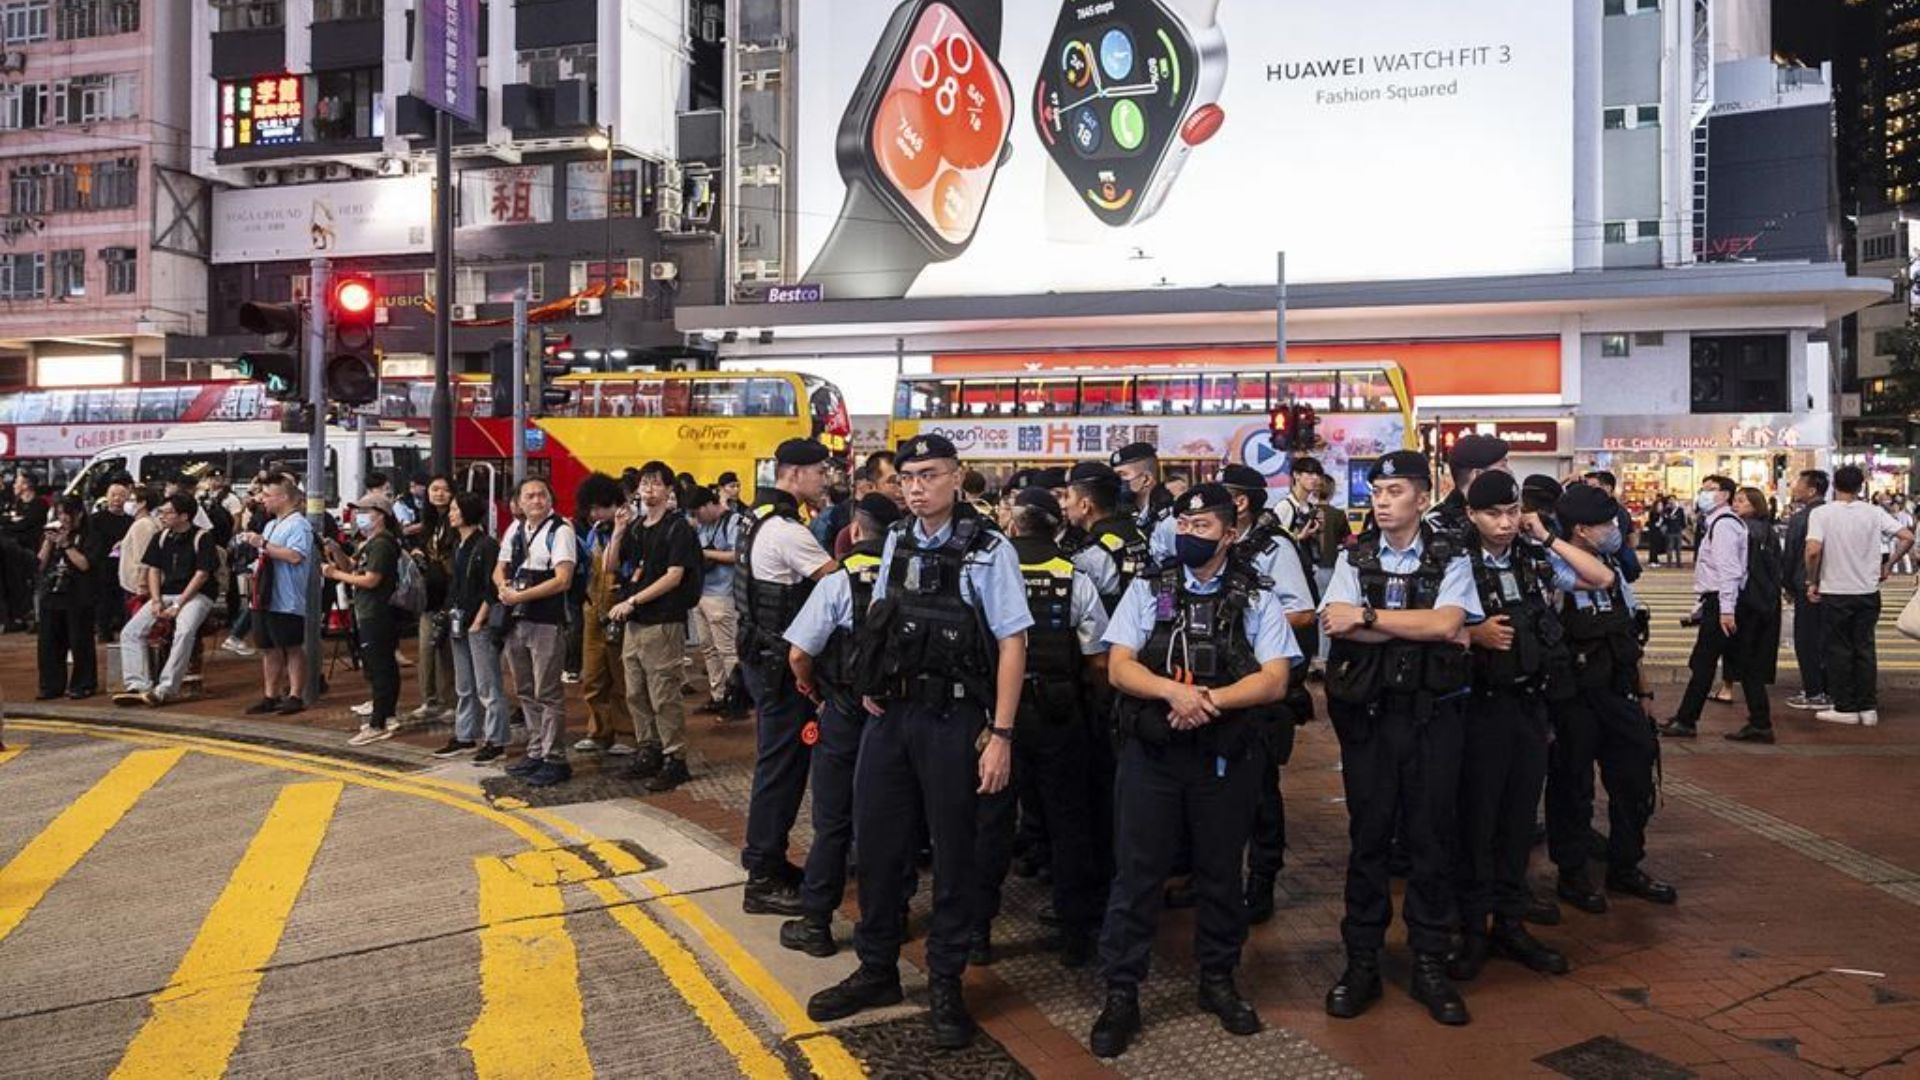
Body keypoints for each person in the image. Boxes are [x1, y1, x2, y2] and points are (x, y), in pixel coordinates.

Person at [805, 434, 1030, 1052]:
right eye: (907, 476)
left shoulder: (990, 550)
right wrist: (871, 681)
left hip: (956, 724)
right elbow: (878, 615)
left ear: (958, 478)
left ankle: (946, 984)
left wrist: (1002, 734)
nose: (915, 486)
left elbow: (1013, 643)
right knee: (877, 846)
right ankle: (877, 969)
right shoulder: (897, 539)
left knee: (955, 855)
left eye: (929, 474)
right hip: (892, 718)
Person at [1087, 484, 1297, 1058]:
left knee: (1220, 874)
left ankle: (1218, 980)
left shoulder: (1256, 595)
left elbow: (1275, 678)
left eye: (1203, 525)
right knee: (1136, 875)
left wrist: (1211, 701)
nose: (1189, 533)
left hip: (1223, 759)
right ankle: (1122, 993)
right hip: (1152, 755)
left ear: (1231, 533)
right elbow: (1119, 666)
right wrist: (1173, 695)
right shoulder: (1148, 586)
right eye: (1184, 522)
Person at [1317, 450, 1482, 1027]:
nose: (1382, 501)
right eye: (1377, 491)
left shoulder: (1450, 555)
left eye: (1393, 492)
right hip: (1369, 722)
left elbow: (1447, 624)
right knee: (1368, 840)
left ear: (1422, 497)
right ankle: (1361, 961)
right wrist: (1396, 623)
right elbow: (1335, 621)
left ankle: (1429, 962)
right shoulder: (1353, 556)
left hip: (1434, 719)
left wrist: (1369, 620)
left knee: (1430, 839)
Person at [1447, 471, 1613, 983]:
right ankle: (1474, 929)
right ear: (1471, 515)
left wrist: (1546, 535)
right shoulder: (1453, 561)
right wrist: (1472, 632)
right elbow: (1428, 621)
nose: (1503, 523)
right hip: (1479, 708)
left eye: (1511, 511)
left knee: (1519, 821)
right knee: (1477, 823)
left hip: (1529, 706)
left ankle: (1511, 923)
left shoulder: (1532, 555)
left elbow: (1600, 578)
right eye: (1492, 513)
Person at [973, 487, 1109, 970]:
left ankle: (977, 934)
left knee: (990, 823)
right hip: (1059, 715)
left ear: (1013, 526)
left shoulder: (986, 571)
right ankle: (1077, 934)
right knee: (1068, 821)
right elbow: (1097, 660)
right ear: (1058, 527)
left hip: (996, 719)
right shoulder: (1076, 579)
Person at [1543, 483, 1676, 917]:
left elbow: (1631, 634)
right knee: (1572, 787)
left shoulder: (1611, 566)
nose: (1614, 529)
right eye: (1605, 524)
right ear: (1580, 530)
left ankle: (1625, 863)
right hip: (1572, 698)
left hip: (1616, 692)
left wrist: (1644, 690)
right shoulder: (1551, 566)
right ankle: (1573, 871)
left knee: (1636, 778)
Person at [779, 492, 901, 958]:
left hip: (845, 711)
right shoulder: (911, 577)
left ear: (855, 528)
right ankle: (891, 918)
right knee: (893, 823)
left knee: (833, 821)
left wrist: (812, 689)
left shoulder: (838, 580)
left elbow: (799, 653)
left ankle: (816, 924)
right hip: (897, 716)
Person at [735, 439, 838, 914]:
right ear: (794, 474)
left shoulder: (754, 519)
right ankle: (762, 877)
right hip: (781, 668)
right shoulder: (786, 530)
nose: (825, 478)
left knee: (776, 765)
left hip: (761, 659)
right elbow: (836, 582)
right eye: (820, 470)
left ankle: (769, 864)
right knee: (781, 769)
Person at [1218, 463, 1319, 926]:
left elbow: (1302, 612)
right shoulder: (1218, 544)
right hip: (1219, 686)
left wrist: (1249, 621)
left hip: (1261, 685)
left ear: (1240, 502)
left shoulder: (1274, 546)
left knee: (1260, 792)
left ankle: (1261, 882)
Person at [607, 461, 704, 791]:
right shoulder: (636, 529)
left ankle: (674, 758)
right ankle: (648, 749)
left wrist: (633, 601)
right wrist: (618, 532)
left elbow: (674, 577)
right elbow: (611, 566)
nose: (648, 489)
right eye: (644, 484)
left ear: (668, 490)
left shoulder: (679, 529)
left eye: (655, 483)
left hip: (663, 621)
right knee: (635, 692)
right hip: (635, 623)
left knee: (664, 693)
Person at [1660, 476, 1770, 741]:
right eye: (1703, 489)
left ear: (1725, 495)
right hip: (1721, 602)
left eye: (1711, 490)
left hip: (1725, 603)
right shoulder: (1717, 523)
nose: (1704, 494)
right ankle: (1759, 722)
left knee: (1705, 661)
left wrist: (1726, 610)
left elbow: (1730, 571)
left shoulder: (1724, 525)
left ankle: (1687, 720)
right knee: (1738, 663)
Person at [1806, 465, 1916, 727]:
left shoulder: (1822, 513)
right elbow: (1907, 536)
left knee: (1839, 649)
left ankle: (1845, 706)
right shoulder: (1874, 512)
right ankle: (1868, 707)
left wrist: (1812, 580)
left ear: (1835, 485)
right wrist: (1888, 565)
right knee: (1864, 648)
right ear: (1861, 486)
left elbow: (1812, 550)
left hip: (1835, 590)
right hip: (1868, 591)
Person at [494, 479, 579, 785]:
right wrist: (503, 587)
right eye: (529, 495)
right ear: (518, 501)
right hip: (516, 620)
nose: (536, 500)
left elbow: (563, 580)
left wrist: (521, 597)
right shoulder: (515, 530)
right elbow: (499, 566)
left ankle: (555, 758)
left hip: (545, 621)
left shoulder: (561, 531)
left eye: (542, 494)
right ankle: (535, 751)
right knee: (525, 690)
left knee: (548, 692)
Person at [114, 494, 221, 707]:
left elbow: (202, 575)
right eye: (161, 511)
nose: (162, 516)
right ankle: (138, 684)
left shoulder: (202, 537)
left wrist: (178, 605)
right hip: (165, 593)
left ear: (184, 516)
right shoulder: (161, 537)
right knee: (131, 631)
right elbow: (153, 569)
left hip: (196, 595)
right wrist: (155, 600)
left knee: (184, 631)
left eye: (168, 512)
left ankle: (165, 689)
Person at [435, 492, 510, 762]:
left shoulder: (487, 545)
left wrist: (479, 620)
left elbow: (492, 587)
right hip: (459, 622)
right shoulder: (459, 545)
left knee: (488, 685)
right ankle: (465, 735)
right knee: (464, 685)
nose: (451, 513)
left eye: (455, 509)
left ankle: (496, 740)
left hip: (479, 624)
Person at [323, 494, 403, 744]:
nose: (359, 516)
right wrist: (336, 551)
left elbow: (370, 579)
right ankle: (386, 714)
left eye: (364, 510)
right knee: (381, 665)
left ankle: (378, 722)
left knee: (381, 667)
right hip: (369, 611)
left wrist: (335, 574)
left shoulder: (382, 544)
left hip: (379, 612)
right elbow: (352, 567)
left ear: (380, 514)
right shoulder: (369, 542)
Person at [233, 474, 313, 716]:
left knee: (291, 646)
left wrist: (263, 544)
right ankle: (271, 694)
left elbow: (296, 555)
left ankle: (296, 694)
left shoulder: (299, 524)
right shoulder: (270, 524)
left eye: (268, 495)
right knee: (268, 647)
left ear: (284, 497)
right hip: (265, 594)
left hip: (287, 597)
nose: (262, 500)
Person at [572, 473, 638, 756]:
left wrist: (620, 530)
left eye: (602, 507)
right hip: (593, 609)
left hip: (619, 610)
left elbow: (616, 568)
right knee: (593, 675)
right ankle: (599, 730)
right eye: (592, 508)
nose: (596, 514)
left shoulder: (633, 532)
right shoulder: (594, 531)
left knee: (621, 675)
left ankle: (627, 733)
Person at [35, 496, 106, 700]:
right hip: (52, 593)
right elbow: (39, 564)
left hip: (79, 595)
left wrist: (66, 544)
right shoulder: (52, 534)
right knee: (49, 642)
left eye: (67, 513)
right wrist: (49, 542)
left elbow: (84, 564)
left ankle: (83, 684)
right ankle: (50, 685)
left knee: (80, 641)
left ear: (79, 514)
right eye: (59, 513)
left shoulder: (91, 535)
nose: (63, 518)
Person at [1059, 461, 1148, 612]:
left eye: (1067, 497)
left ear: (1085, 505)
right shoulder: (1137, 533)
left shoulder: (1092, 555)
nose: (1063, 505)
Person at [403, 475, 457, 722]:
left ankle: (451, 702)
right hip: (429, 594)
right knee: (426, 648)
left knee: (447, 650)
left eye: (445, 490)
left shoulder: (455, 522)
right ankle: (430, 700)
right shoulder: (428, 522)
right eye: (434, 489)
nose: (439, 494)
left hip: (449, 594)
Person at [689, 485, 746, 716]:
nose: (696, 517)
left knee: (728, 650)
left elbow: (738, 555)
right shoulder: (702, 525)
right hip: (702, 593)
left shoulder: (734, 522)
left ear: (709, 505)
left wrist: (705, 554)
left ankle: (737, 700)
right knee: (708, 649)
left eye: (697, 512)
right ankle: (718, 695)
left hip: (723, 594)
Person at [1782, 470, 1830, 711]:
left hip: (1807, 585)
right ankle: (1830, 688)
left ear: (1811, 490)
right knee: (1829, 639)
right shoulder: (1833, 514)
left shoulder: (1802, 518)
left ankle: (1814, 691)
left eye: (1798, 483)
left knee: (1807, 640)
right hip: (1835, 586)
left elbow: (1792, 555)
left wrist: (1788, 585)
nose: (1794, 486)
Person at [1429, 434, 1509, 534]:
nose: (1509, 473)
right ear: (1477, 474)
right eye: (1503, 466)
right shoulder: (1436, 525)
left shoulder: (1512, 517)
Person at [1111, 442, 1177, 559]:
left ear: (1146, 479)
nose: (1117, 481)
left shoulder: (1170, 521)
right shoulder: (1127, 516)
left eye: (1122, 475)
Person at [1, 471, 49, 632]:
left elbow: (25, 525)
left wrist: (11, 524)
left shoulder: (39, 504)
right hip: (12, 551)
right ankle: (13, 616)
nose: (13, 485)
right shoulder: (16, 504)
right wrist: (10, 521)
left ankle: (33, 616)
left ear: (26, 485)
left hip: (31, 550)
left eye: (17, 482)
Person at [1583, 472, 1643, 584]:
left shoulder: (1602, 511)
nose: (1589, 491)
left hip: (1604, 566)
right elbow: (1633, 541)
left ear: (1608, 488)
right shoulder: (1622, 510)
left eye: (1593, 487)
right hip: (1618, 566)